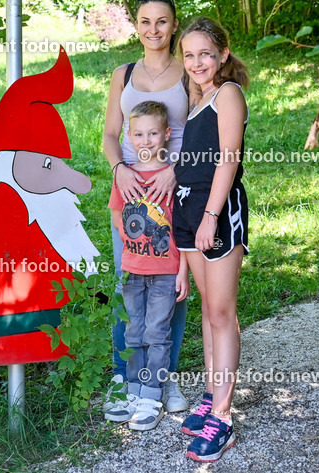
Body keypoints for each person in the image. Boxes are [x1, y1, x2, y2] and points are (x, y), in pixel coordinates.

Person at [102, 0, 191, 414]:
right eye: (145, 21)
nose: (153, 29)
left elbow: (202, 132)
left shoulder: (189, 73)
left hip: (177, 193)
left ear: (174, 26)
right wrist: (119, 168)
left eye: (162, 21)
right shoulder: (122, 73)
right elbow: (109, 134)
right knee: (129, 286)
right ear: (135, 26)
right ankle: (125, 378)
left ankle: (164, 378)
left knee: (170, 288)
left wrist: (177, 170)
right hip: (131, 196)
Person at [173, 18, 249, 462]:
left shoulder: (228, 95)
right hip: (189, 214)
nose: (197, 62)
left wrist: (209, 217)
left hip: (215, 215)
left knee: (222, 313)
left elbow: (228, 160)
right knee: (207, 310)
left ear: (222, 54)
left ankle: (222, 415)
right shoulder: (197, 98)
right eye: (189, 54)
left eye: (206, 53)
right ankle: (210, 392)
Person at [104, 101, 189, 430]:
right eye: (139, 134)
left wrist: (183, 270)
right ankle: (136, 389)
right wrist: (130, 255)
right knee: (134, 331)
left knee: (157, 332)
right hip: (132, 272)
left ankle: (153, 392)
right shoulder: (124, 178)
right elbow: (117, 217)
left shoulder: (172, 181)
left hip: (165, 273)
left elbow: (182, 229)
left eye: (153, 133)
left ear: (167, 135)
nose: (146, 140)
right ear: (128, 135)